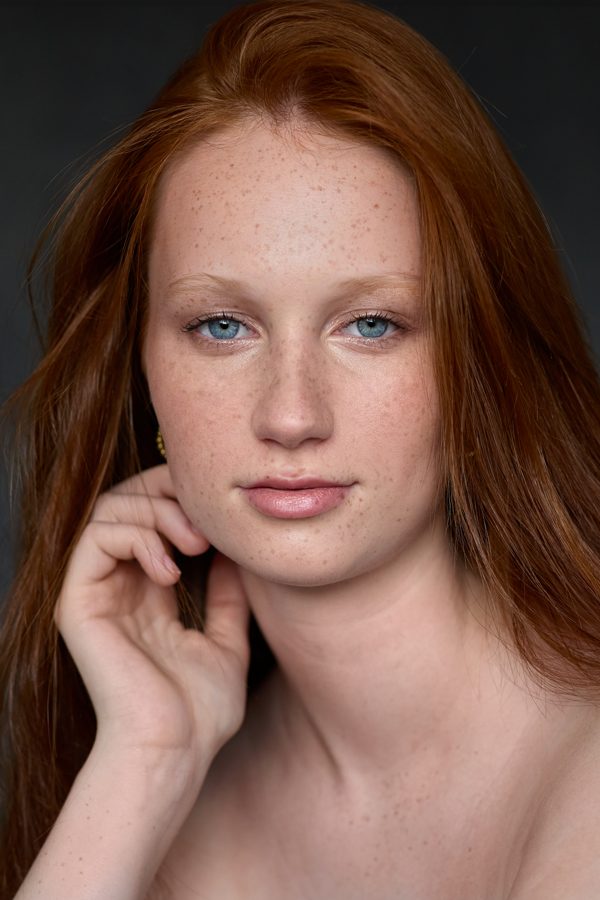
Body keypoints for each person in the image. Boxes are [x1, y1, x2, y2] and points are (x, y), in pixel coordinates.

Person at [1, 0, 600, 896]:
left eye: (371, 324)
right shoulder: (160, 814)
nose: (291, 416)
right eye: (221, 326)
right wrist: (144, 763)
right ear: (141, 367)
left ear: (480, 357)